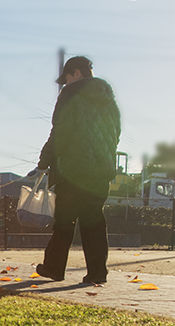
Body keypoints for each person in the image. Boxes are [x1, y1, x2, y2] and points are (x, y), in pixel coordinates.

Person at [29, 56, 121, 284]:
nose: (65, 83)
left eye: (67, 78)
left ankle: (54, 267)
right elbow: (116, 132)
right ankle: (98, 273)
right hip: (100, 171)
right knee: (94, 222)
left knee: (64, 221)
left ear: (77, 74)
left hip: (73, 170)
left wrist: (44, 161)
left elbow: (60, 132)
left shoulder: (70, 95)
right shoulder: (109, 98)